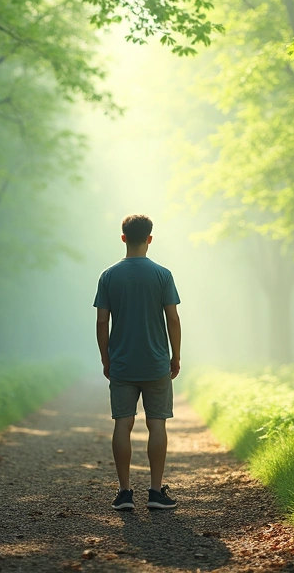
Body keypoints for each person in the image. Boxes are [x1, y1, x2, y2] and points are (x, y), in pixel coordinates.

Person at [93, 214, 182, 511]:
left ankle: (124, 493)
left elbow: (102, 321)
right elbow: (172, 318)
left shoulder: (108, 276)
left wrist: (106, 358)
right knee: (157, 424)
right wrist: (176, 356)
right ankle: (156, 492)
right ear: (150, 239)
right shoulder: (163, 274)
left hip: (122, 363)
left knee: (123, 423)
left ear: (123, 238)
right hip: (156, 363)